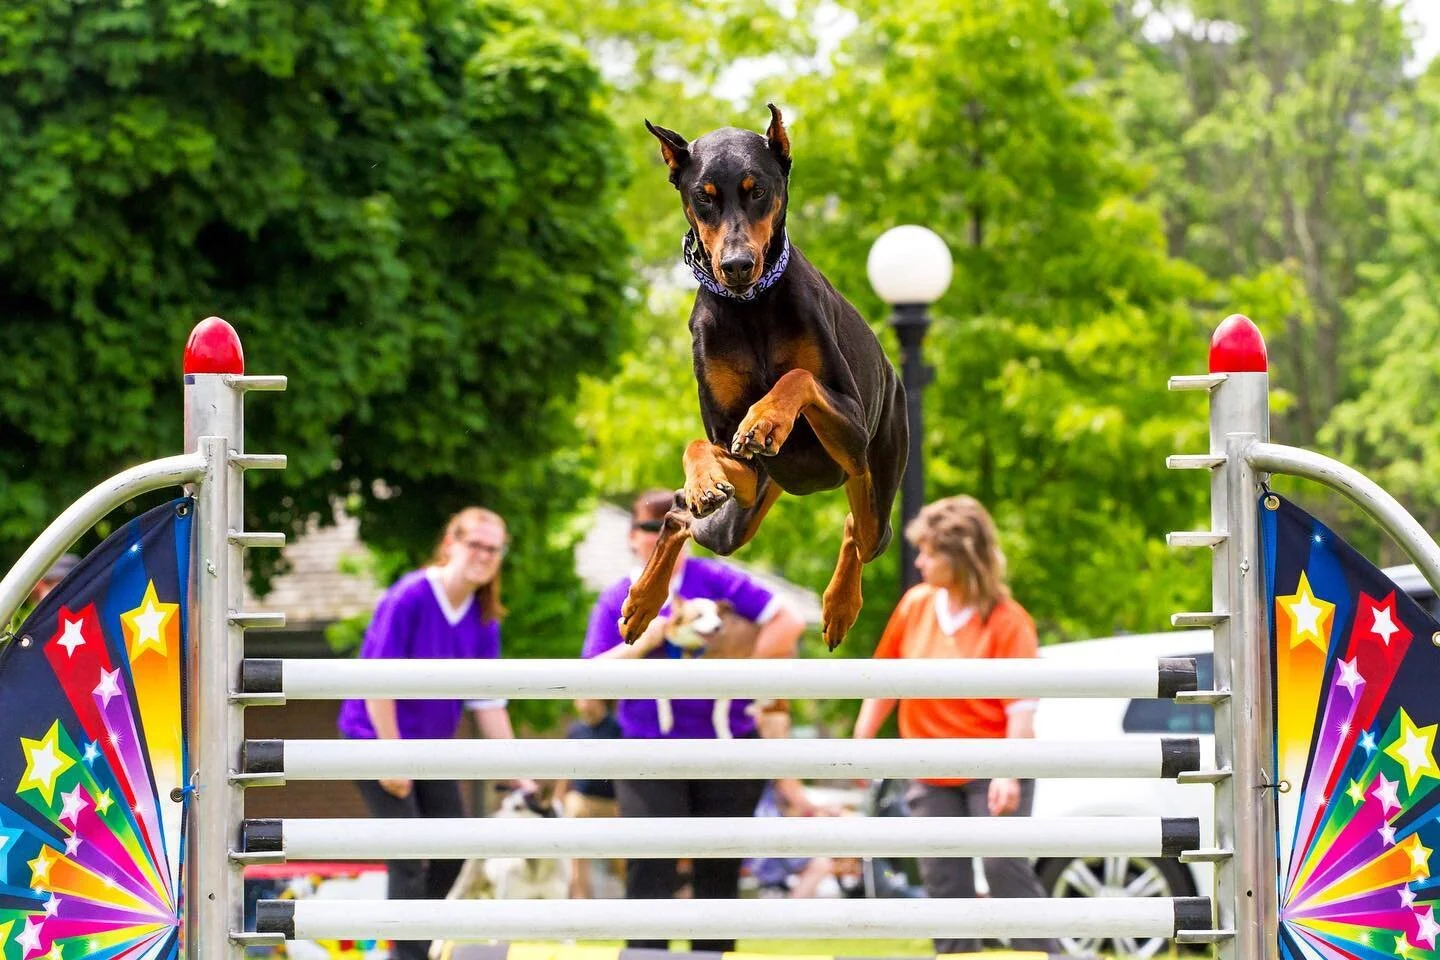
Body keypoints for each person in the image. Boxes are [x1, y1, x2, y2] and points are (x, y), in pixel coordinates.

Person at [582, 489, 807, 952]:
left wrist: (741, 670)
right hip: (649, 748)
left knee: (719, 869)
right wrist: (648, 639)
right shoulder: (617, 597)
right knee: (650, 865)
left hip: (727, 745)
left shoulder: (717, 578)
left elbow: (789, 622)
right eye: (651, 527)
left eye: (676, 526)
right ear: (632, 536)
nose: (662, 536)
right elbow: (589, 682)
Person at [852, 495, 1061, 956]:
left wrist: (1008, 773)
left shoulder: (1008, 621)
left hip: (995, 765)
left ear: (961, 556)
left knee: (1004, 868)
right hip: (929, 767)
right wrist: (861, 745)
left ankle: (1042, 953)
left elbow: (1021, 710)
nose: (920, 562)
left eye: (929, 553)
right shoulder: (916, 605)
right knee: (944, 880)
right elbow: (884, 678)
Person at [336, 507, 533, 960]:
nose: (484, 555)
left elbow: (488, 703)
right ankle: (408, 953)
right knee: (408, 856)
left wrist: (519, 775)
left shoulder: (484, 617)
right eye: (475, 544)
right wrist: (391, 757)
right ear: (450, 544)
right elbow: (377, 684)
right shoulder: (409, 596)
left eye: (494, 549)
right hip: (376, 738)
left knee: (453, 853)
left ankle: (419, 943)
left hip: (432, 749)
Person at [558, 698, 624, 898]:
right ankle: (580, 901)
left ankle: (629, 897)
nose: (583, 704)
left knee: (620, 860)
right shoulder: (575, 730)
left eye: (588, 698)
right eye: (579, 700)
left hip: (611, 803)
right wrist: (558, 796)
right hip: (583, 800)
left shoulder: (616, 728)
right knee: (577, 855)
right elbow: (565, 767)